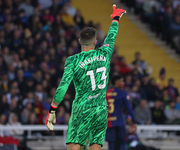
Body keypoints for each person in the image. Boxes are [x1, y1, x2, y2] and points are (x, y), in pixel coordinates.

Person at [46, 5, 126, 150]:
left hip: (82, 109)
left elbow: (63, 87)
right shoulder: (105, 53)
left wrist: (52, 109)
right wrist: (115, 18)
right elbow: (111, 37)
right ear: (95, 42)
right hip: (101, 109)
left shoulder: (73, 61)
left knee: (74, 146)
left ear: (79, 41)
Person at [106, 75, 137, 150]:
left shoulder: (105, 93)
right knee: (123, 142)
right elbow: (129, 109)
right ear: (117, 82)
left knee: (111, 144)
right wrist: (134, 121)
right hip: (119, 122)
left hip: (108, 123)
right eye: (122, 81)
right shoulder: (122, 93)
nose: (123, 83)